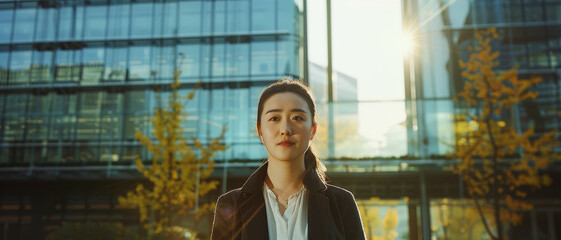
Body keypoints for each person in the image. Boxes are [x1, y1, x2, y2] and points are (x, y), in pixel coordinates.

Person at [211, 79, 366, 240]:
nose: (285, 129)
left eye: (297, 118)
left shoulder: (341, 203)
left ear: (313, 129)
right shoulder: (231, 204)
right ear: (260, 131)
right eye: (274, 118)